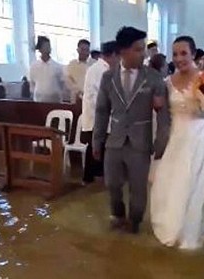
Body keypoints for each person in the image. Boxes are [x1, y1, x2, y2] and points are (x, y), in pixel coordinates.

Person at [92, 27, 170, 234]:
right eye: (138, 49)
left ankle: (134, 221)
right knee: (112, 184)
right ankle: (117, 215)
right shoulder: (108, 78)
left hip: (140, 142)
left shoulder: (153, 78)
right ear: (123, 51)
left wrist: (161, 142)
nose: (143, 53)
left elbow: (163, 115)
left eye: (143, 49)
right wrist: (97, 140)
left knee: (138, 188)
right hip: (114, 140)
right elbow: (101, 110)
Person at [150, 36, 204, 250]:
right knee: (166, 181)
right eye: (175, 54)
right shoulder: (167, 81)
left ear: (193, 54)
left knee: (189, 184)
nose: (179, 58)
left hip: (196, 136)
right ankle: (170, 227)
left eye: (183, 53)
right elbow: (160, 111)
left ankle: (187, 233)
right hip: (174, 136)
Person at [81, 41, 119, 185]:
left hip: (98, 117)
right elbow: (102, 96)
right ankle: (94, 181)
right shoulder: (100, 70)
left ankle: (90, 180)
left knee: (96, 149)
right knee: (98, 151)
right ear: (114, 55)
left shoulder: (98, 68)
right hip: (97, 117)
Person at [29, 36, 65, 103]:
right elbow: (32, 84)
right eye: (45, 46)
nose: (48, 48)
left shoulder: (58, 66)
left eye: (48, 46)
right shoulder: (34, 66)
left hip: (55, 101)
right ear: (40, 49)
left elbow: (62, 84)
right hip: (39, 101)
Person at [64, 39, 93, 103]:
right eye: (82, 49)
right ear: (77, 50)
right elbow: (68, 81)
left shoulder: (94, 64)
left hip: (90, 98)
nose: (85, 52)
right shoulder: (72, 64)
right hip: (75, 98)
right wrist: (78, 92)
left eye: (87, 50)